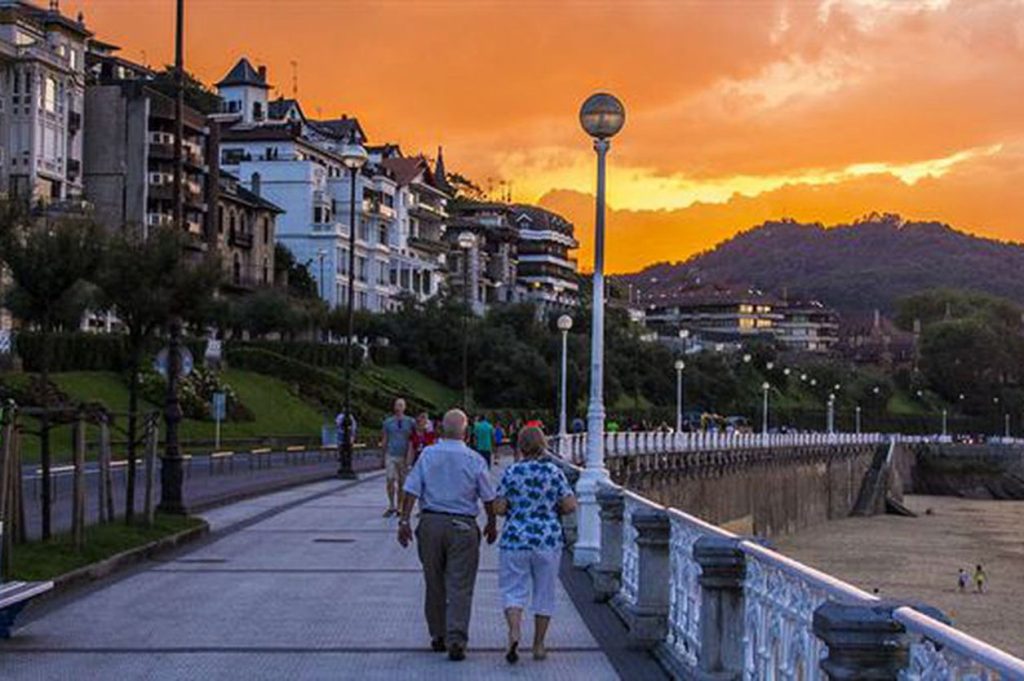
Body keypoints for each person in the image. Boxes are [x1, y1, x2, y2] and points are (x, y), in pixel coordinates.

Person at [398, 409, 498, 662]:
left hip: (430, 523)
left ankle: (438, 636)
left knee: (434, 583)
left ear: (441, 428)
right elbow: (488, 496)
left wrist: (403, 520)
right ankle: (456, 639)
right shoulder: (475, 459)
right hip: (463, 526)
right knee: (460, 586)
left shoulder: (428, 455)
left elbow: (411, 489)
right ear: (466, 431)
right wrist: (492, 523)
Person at [494, 426, 576, 664]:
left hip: (515, 539)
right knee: (545, 591)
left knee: (513, 589)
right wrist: (552, 508)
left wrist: (514, 508)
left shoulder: (512, 472)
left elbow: (498, 508)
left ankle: (514, 631)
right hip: (547, 540)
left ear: (520, 446)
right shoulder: (554, 472)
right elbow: (570, 505)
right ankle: (539, 644)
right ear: (543, 445)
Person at [381, 398, 415, 518]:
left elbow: (415, 438)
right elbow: (384, 439)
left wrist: (412, 456)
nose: (398, 407)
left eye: (401, 405)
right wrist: (382, 454)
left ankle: (400, 506)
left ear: (404, 407)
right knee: (390, 479)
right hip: (391, 454)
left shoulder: (410, 422)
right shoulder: (388, 422)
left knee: (402, 482)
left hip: (404, 455)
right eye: (397, 405)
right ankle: (391, 505)